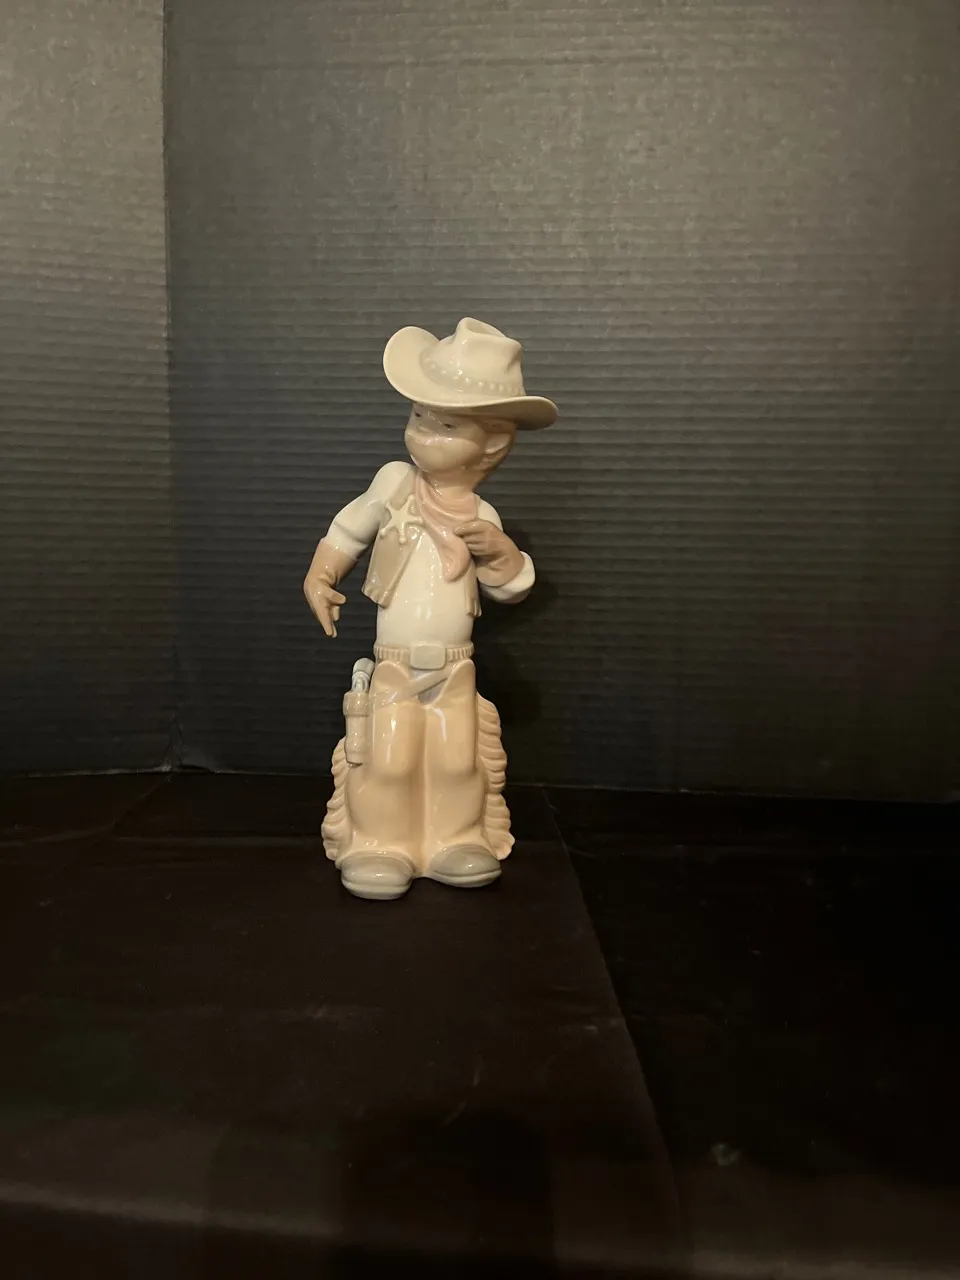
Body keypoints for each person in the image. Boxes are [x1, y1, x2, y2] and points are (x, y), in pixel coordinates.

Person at [304, 318, 557, 900]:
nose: (421, 432)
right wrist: (321, 575)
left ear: (492, 445)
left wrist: (502, 554)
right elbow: (347, 530)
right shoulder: (394, 484)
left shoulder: (482, 516)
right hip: (394, 664)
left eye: (445, 425)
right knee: (388, 758)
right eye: (418, 415)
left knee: (457, 758)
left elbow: (509, 589)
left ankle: (455, 836)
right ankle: (379, 843)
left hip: (454, 667)